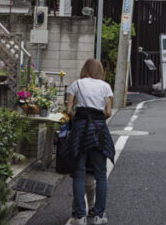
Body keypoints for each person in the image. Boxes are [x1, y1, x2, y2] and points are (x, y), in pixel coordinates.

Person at [65, 58, 115, 225]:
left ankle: (80, 216)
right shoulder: (105, 86)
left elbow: (68, 110)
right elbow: (108, 112)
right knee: (100, 174)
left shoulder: (76, 84)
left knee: (79, 174)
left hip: (80, 130)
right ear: (99, 71)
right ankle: (99, 215)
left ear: (85, 69)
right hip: (99, 130)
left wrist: (77, 118)